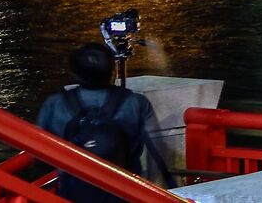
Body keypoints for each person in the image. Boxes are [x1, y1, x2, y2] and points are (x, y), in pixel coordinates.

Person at [33, 45, 174, 203]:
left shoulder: (55, 104)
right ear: (112, 71)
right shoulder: (135, 103)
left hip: (72, 194)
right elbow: (157, 153)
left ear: (74, 72)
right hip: (125, 193)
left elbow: (37, 152)